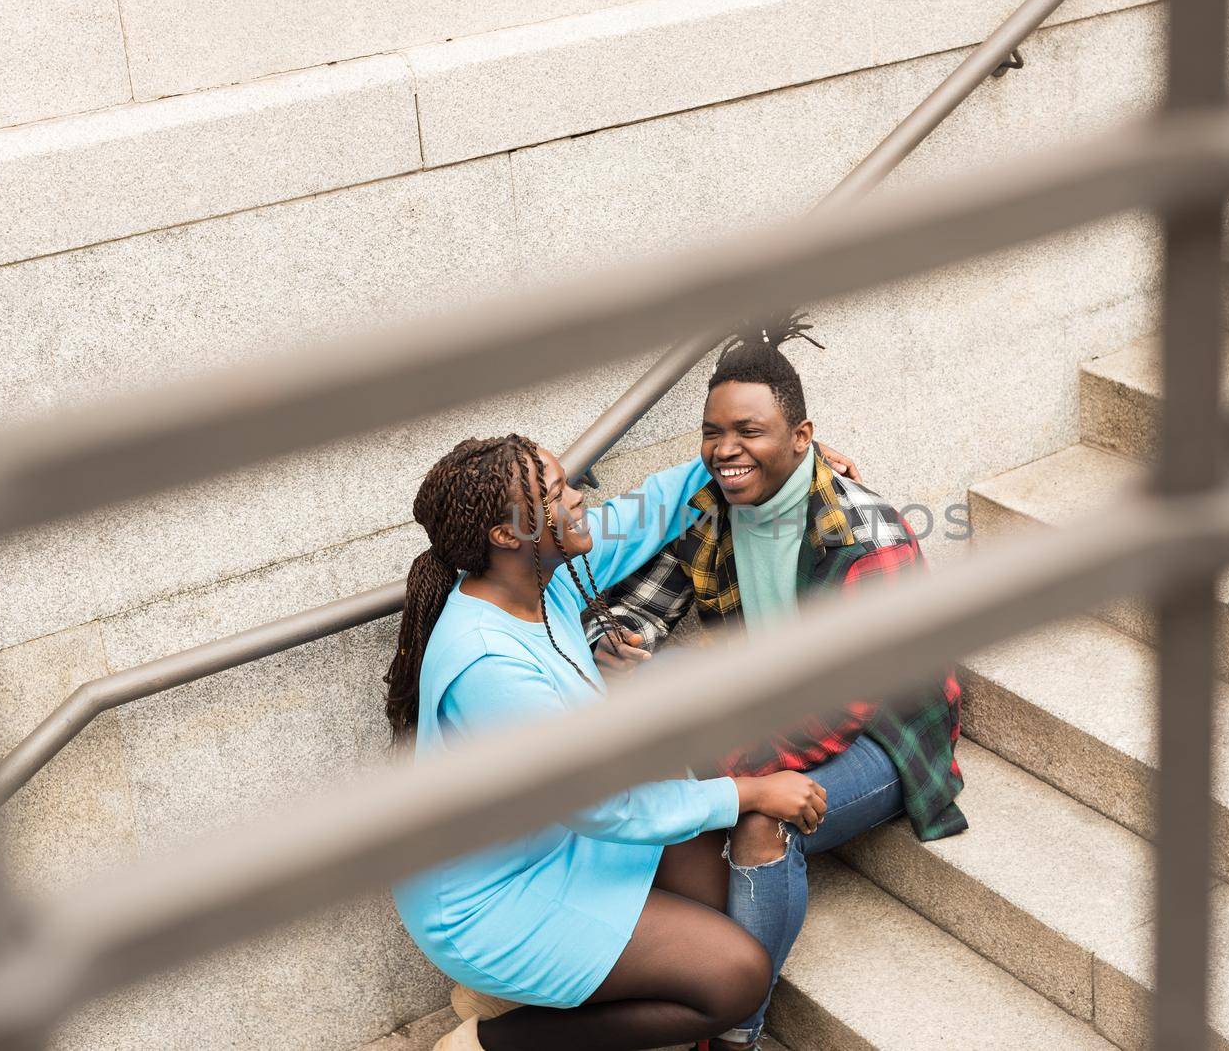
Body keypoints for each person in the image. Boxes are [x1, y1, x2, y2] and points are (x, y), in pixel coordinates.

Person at [591, 311, 968, 1050]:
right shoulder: (715, 511)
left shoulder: (865, 537)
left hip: (886, 733)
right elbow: (643, 608)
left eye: (749, 431)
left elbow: (849, 704)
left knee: (762, 822)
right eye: (712, 431)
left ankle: (734, 1030)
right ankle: (665, 965)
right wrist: (620, 644)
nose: (725, 450)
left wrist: (729, 779)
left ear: (802, 437)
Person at [384, 433, 830, 1051]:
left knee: (719, 891)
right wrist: (749, 791)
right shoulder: (488, 663)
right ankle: (493, 1039)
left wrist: (770, 454)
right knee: (736, 978)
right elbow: (606, 808)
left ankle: (557, 985)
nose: (580, 499)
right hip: (489, 901)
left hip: (560, 838)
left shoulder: (543, 583)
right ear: (507, 535)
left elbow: (646, 511)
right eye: (559, 493)